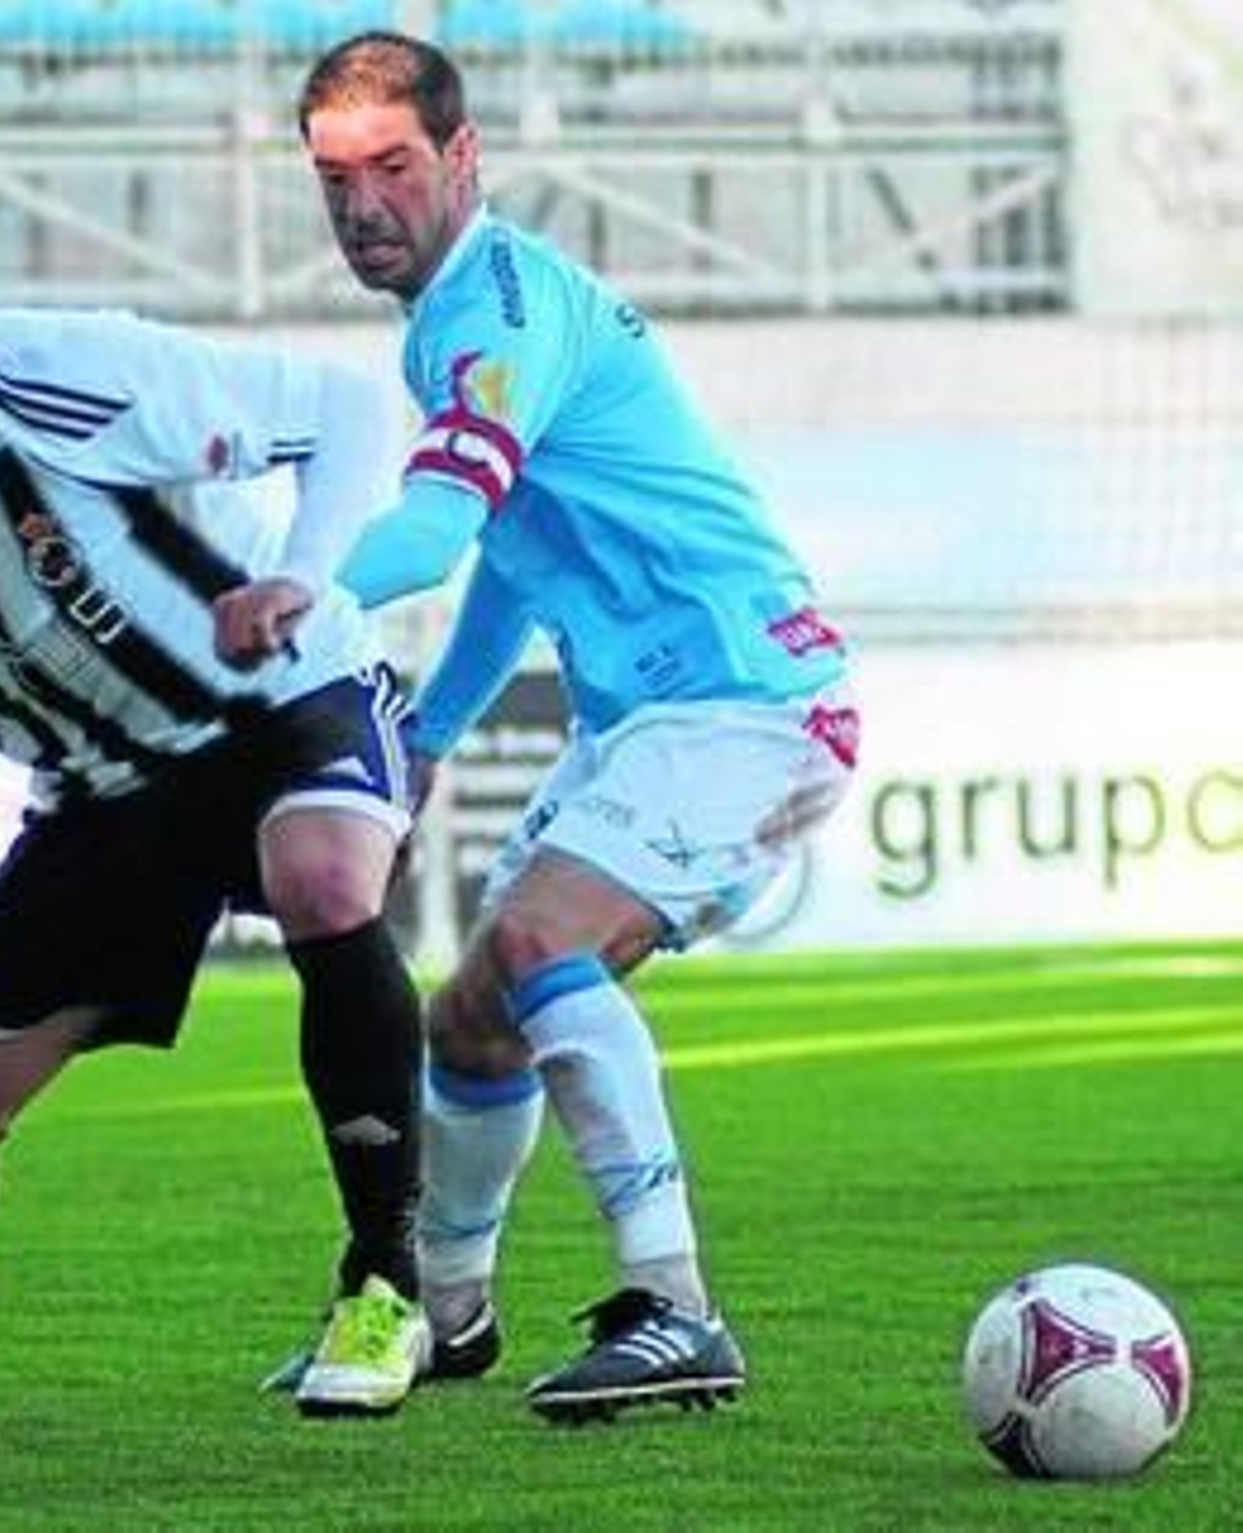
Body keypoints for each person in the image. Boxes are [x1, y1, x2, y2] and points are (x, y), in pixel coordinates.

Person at [0, 161, 431, 1456]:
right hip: (105, 792)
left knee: (326, 880)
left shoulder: (61, 374)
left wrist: (298, 573)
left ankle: (387, 1288)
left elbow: (344, 405)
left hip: (285, 697)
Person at [221, 31, 860, 1425]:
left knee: (533, 947)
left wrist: (291, 595)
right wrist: (432, 729)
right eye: (334, 179)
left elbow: (435, 531)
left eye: (393, 167)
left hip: (750, 697)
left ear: (463, 157)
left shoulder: (496, 314)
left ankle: (677, 1305)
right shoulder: (457, 317)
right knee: (471, 1020)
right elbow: (510, 556)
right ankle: (448, 1314)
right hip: (653, 716)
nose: (362, 205)